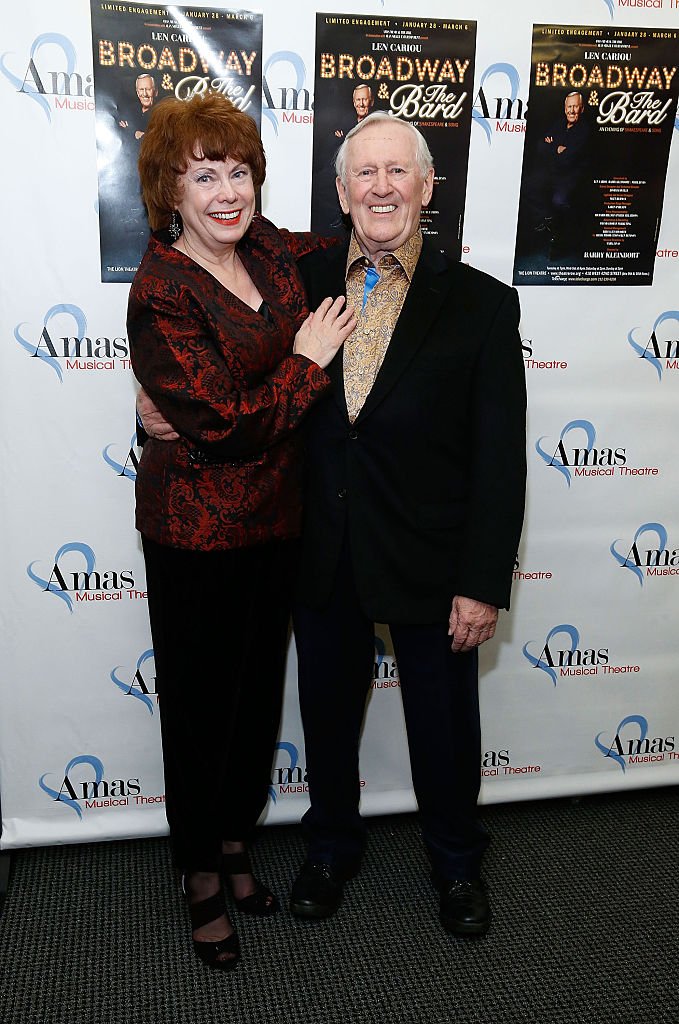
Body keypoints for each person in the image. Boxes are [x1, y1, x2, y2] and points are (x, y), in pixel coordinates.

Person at [127, 92, 354, 971]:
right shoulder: (161, 290)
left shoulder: (268, 247)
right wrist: (306, 361)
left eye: (238, 171)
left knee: (257, 701)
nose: (227, 191)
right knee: (200, 710)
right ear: (170, 192)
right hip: (195, 532)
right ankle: (198, 873)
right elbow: (224, 425)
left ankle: (232, 843)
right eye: (203, 175)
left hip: (277, 521)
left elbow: (341, 244)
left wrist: (382, 201)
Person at [288, 112, 526, 936]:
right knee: (324, 714)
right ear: (341, 191)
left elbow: (500, 459)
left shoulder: (483, 306)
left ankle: (457, 863)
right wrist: (161, 406)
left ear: (428, 187)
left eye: (399, 172)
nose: (381, 187)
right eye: (365, 173)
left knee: (444, 725)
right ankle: (328, 849)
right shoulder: (299, 278)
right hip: (322, 548)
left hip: (432, 554)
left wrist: (480, 581)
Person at [524, 91, 591, 251]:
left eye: (575, 106)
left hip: (571, 176)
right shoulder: (559, 124)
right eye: (569, 107)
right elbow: (541, 146)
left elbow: (569, 159)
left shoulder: (584, 130)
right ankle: (546, 217)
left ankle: (562, 234)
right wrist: (558, 149)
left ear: (582, 109)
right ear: (564, 108)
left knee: (559, 201)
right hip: (552, 171)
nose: (572, 110)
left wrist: (553, 149)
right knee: (528, 187)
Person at [119, 73, 158, 139]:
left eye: (148, 89)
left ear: (156, 92)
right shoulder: (129, 110)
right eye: (141, 90)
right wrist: (135, 133)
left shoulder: (161, 114)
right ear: (137, 92)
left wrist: (130, 131)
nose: (145, 94)